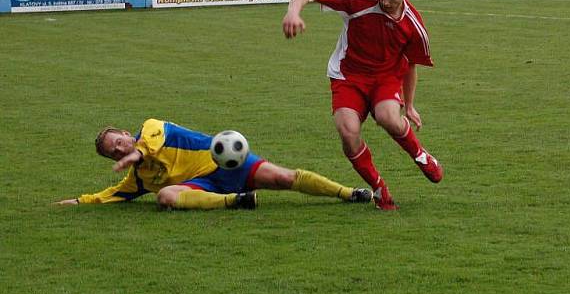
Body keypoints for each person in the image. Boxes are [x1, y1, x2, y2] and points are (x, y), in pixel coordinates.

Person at [282, 0, 443, 210]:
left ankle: (420, 155)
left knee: (388, 117)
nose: (385, 2)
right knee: (348, 132)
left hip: (386, 78)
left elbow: (411, 64)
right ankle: (379, 188)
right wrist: (293, 12)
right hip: (348, 76)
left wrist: (409, 106)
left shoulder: (414, 26)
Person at [56, 118, 373, 210]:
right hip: (205, 187)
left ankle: (350, 193)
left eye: (120, 143)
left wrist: (135, 154)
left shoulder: (152, 127)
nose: (120, 150)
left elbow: (149, 143)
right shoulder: (140, 178)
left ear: (126, 133)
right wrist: (79, 201)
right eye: (115, 153)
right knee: (165, 197)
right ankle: (237, 201)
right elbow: (111, 195)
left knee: (283, 177)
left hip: (226, 163)